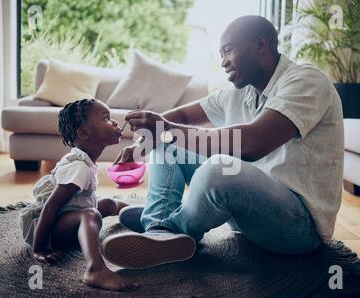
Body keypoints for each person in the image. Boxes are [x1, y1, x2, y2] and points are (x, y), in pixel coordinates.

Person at [101, 15, 344, 269]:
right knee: (167, 142)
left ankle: (171, 226)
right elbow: (182, 116)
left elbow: (253, 143)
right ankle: (160, 224)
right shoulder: (239, 93)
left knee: (218, 167)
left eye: (228, 50)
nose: (223, 62)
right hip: (248, 212)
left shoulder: (306, 81)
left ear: (261, 45)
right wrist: (147, 138)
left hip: (298, 228)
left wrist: (166, 130)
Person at [19, 98, 138, 291]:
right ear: (84, 133)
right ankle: (95, 269)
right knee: (91, 214)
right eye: (107, 118)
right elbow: (51, 207)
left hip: (68, 216)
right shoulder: (79, 166)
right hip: (53, 233)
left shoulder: (86, 159)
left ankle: (144, 215)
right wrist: (39, 248)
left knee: (107, 203)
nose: (115, 122)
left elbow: (76, 202)